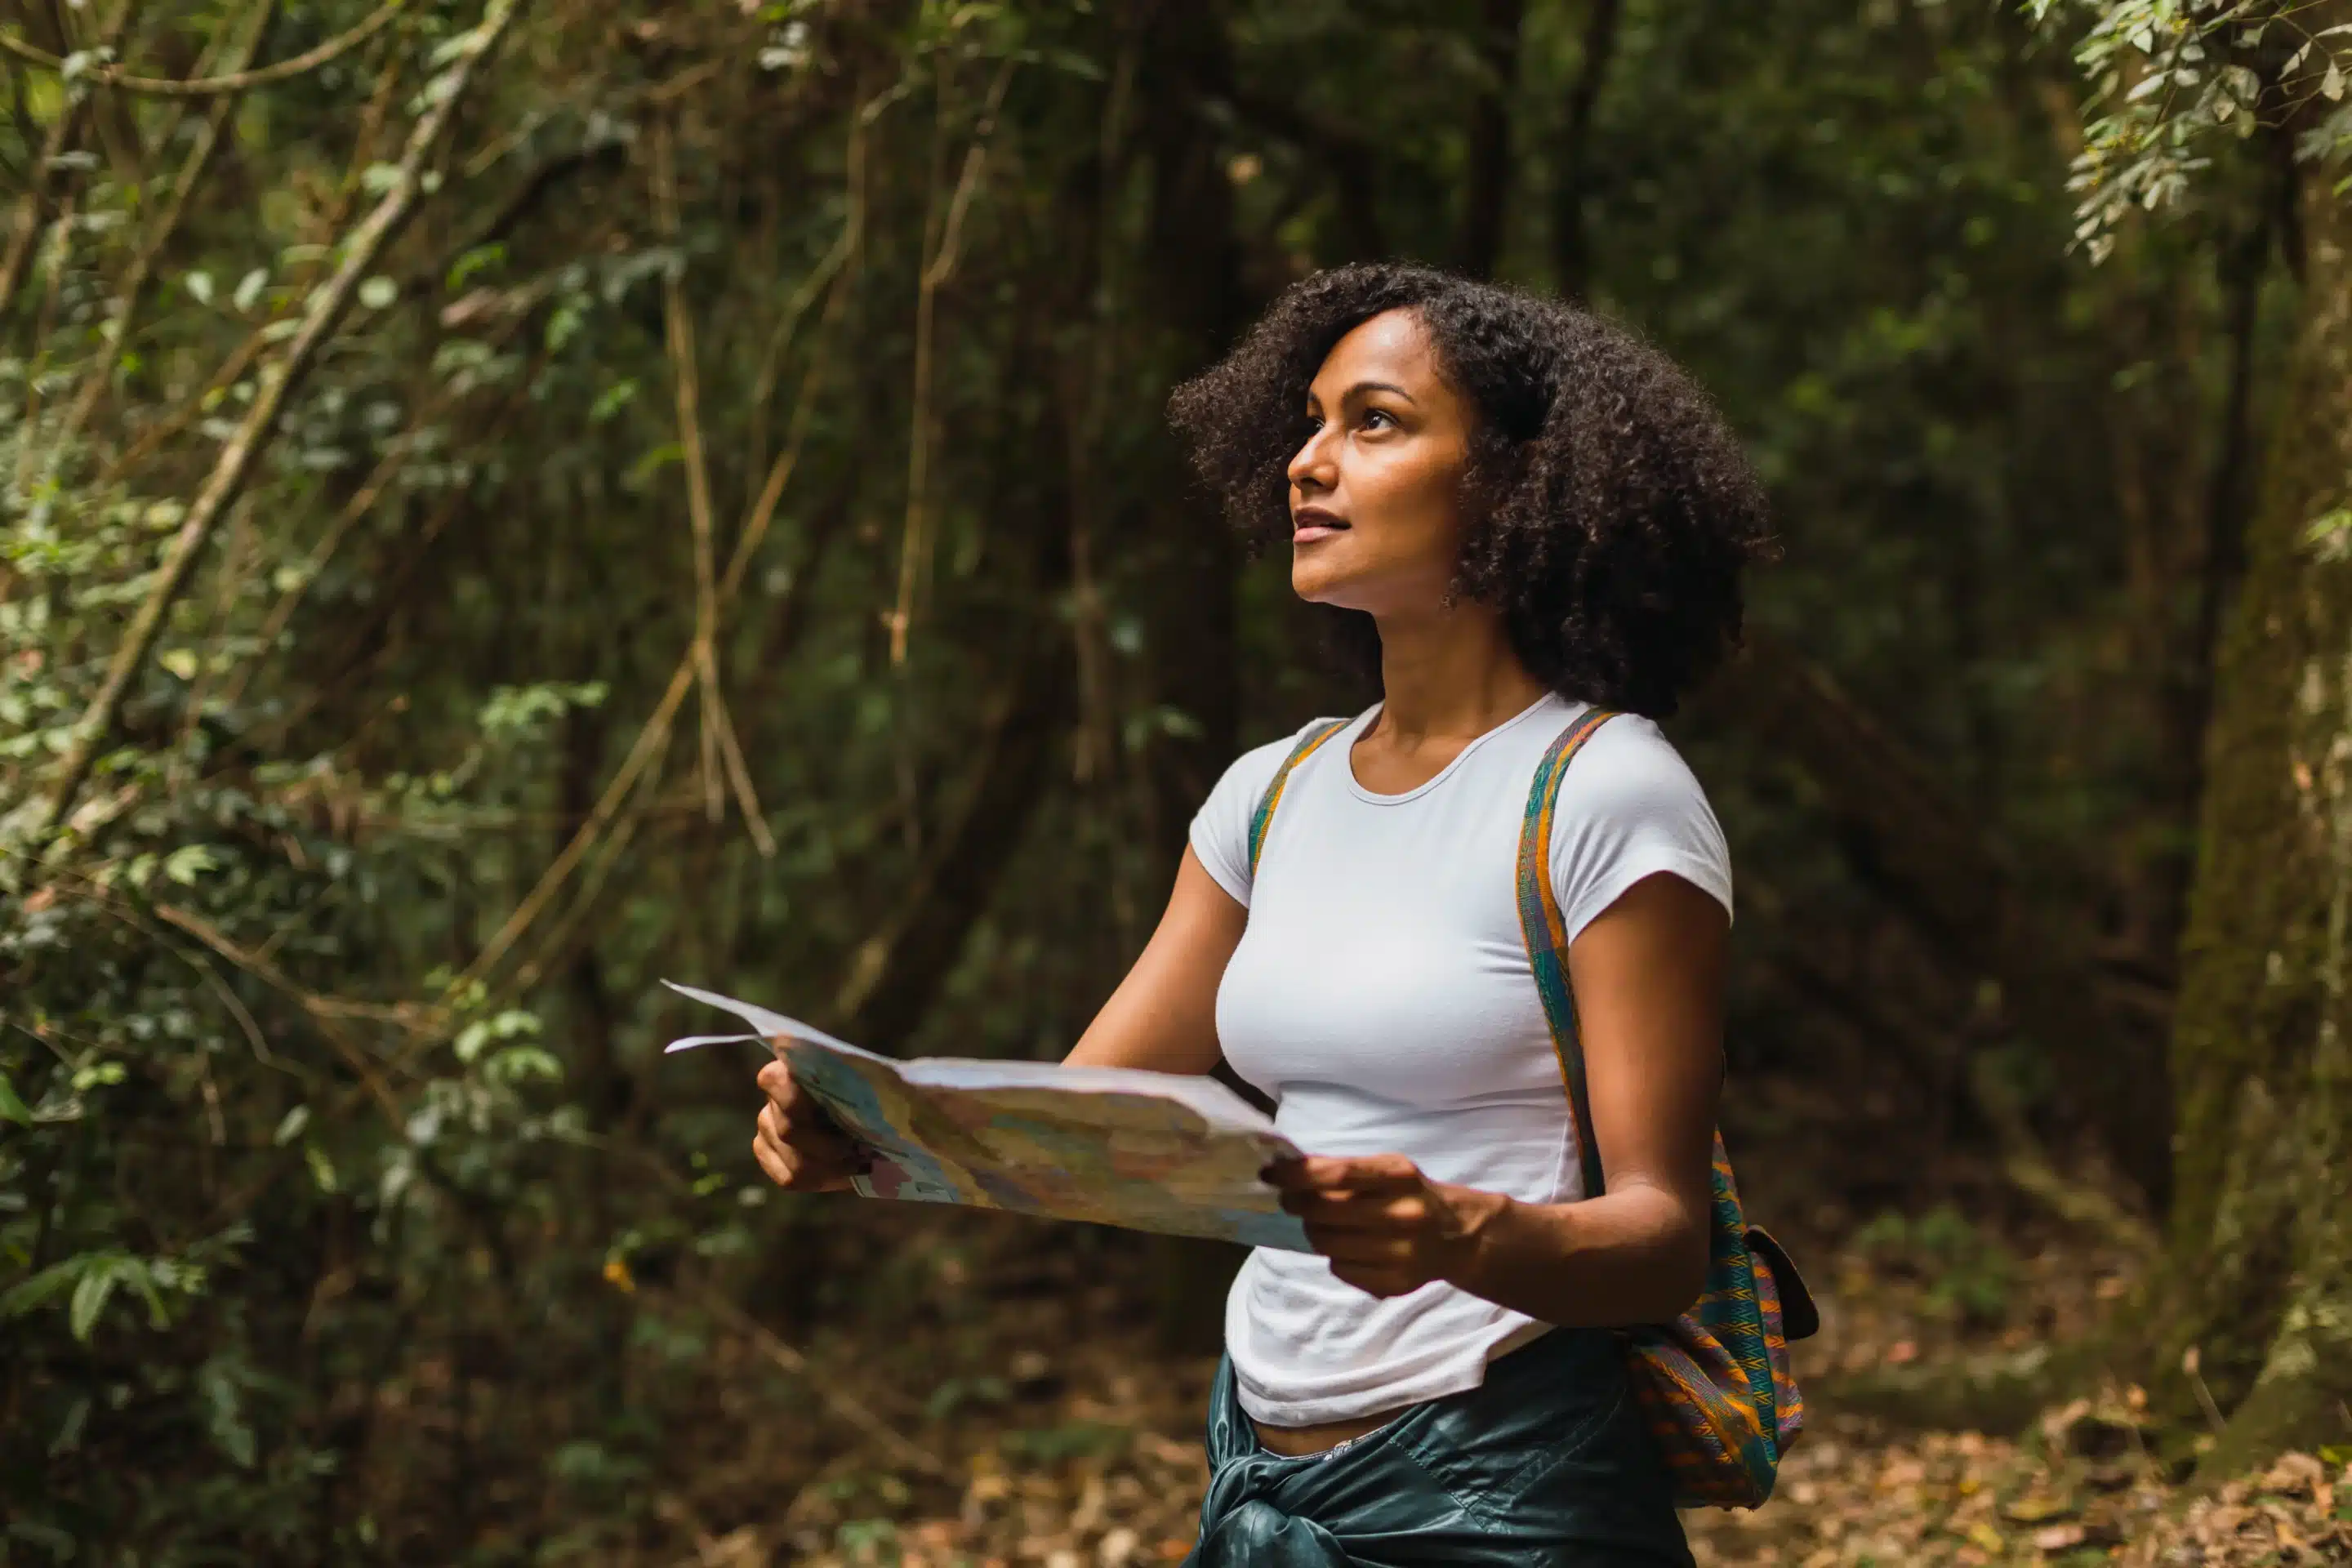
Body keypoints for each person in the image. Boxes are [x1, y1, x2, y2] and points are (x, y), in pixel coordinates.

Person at [751, 261, 1777, 1566]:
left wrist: (1458, 1230)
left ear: (1512, 483)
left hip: (1508, 1484)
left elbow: (1660, 1243)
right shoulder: (1271, 796)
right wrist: (865, 1137)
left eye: (1375, 421)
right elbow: (1066, 1128)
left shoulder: (1603, 792)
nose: (1308, 460)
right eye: (1307, 420)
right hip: (1257, 1472)